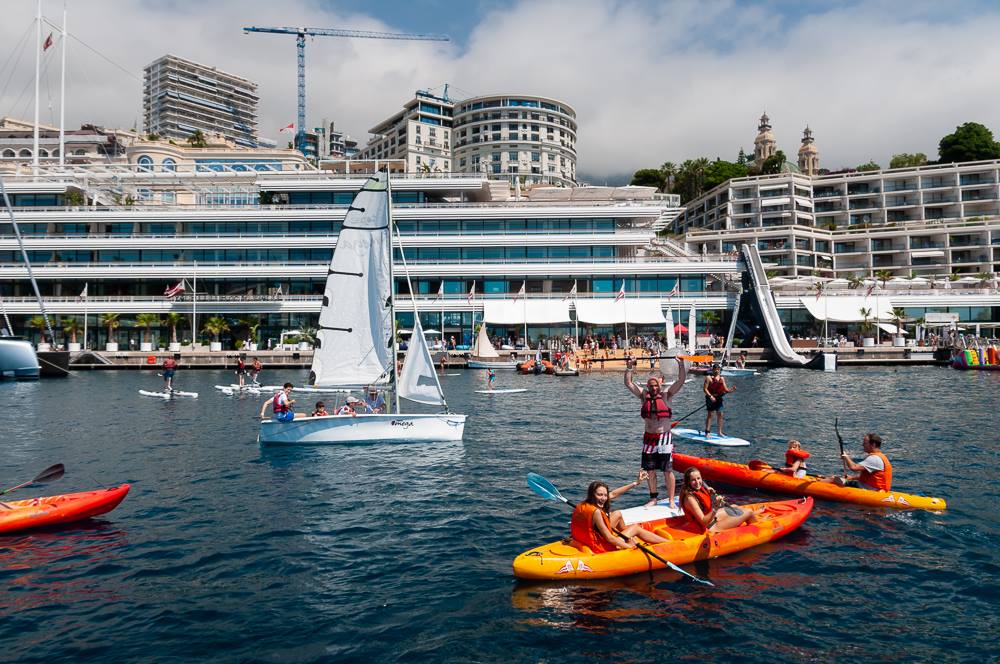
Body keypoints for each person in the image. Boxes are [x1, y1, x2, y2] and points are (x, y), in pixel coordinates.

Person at [625, 355, 687, 507]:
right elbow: (628, 383)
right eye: (651, 386)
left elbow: (681, 381)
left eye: (656, 386)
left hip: (664, 438)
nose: (654, 388)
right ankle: (653, 498)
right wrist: (629, 366)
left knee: (667, 471)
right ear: (648, 386)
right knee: (650, 470)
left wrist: (681, 365)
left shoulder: (667, 395)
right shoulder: (643, 396)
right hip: (648, 439)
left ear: (660, 385)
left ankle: (672, 499)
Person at [570, 472, 671, 553]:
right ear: (592, 494)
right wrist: (629, 546)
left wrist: (636, 483)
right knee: (636, 527)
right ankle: (669, 543)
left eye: (605, 495)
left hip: (585, 539)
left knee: (617, 513)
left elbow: (614, 493)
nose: (604, 498)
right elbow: (609, 538)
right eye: (600, 495)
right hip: (600, 546)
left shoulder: (583, 505)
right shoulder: (596, 512)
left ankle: (628, 536)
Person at [680, 467, 761, 532]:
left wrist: (708, 491)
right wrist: (716, 507)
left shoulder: (697, 489)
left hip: (712, 519)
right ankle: (760, 526)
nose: (697, 482)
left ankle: (752, 515)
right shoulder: (690, 499)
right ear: (688, 482)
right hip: (710, 527)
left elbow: (702, 488)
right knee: (749, 512)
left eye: (698, 478)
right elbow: (703, 522)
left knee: (734, 506)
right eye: (693, 480)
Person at [822, 433, 892, 491]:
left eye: (865, 443)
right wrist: (852, 478)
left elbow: (853, 467)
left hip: (869, 489)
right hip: (877, 489)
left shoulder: (874, 459)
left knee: (833, 478)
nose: (862, 445)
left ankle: (812, 487)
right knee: (839, 479)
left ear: (873, 444)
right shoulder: (881, 457)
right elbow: (870, 476)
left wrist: (846, 456)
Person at [703, 365, 736, 437]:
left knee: (720, 414)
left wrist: (732, 390)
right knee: (710, 414)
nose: (717, 371)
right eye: (715, 369)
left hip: (719, 399)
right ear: (713, 370)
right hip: (710, 398)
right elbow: (705, 389)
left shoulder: (722, 378)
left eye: (718, 369)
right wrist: (711, 396)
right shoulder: (708, 378)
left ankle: (719, 432)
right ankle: (707, 432)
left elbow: (726, 390)